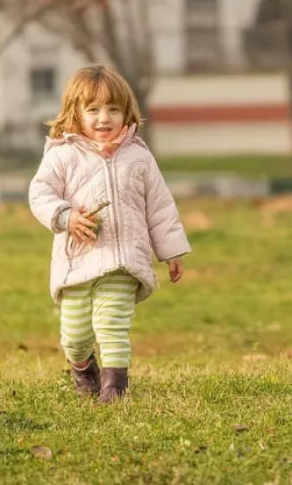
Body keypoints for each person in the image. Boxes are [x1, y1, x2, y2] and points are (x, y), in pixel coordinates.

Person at [29, 65, 191, 401]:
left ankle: (114, 388)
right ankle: (83, 368)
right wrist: (65, 216)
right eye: (94, 110)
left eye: (113, 109)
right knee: (74, 335)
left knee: (112, 326)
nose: (105, 118)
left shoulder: (139, 158)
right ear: (75, 112)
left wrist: (172, 251)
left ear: (126, 112)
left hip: (123, 261)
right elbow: (40, 194)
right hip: (77, 263)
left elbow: (159, 207)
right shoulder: (62, 156)